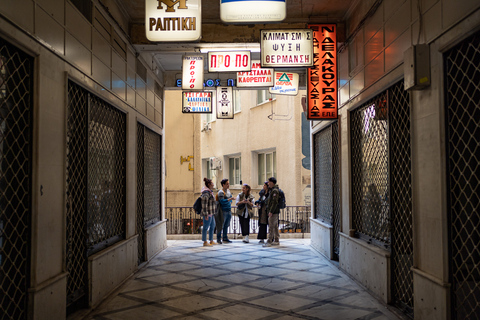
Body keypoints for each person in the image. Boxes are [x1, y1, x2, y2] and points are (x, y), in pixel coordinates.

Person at [263, 177, 280, 247]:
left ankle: (269, 241)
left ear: (272, 182)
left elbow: (274, 202)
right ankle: (276, 240)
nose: (268, 183)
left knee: (271, 226)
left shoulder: (275, 191)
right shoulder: (272, 190)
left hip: (273, 212)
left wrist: (271, 211)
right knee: (275, 226)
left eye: (269, 182)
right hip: (274, 211)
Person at [217, 179, 235, 243]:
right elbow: (221, 201)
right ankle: (218, 238)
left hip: (228, 210)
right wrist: (229, 200)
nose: (228, 185)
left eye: (228, 184)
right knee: (221, 225)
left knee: (226, 225)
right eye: (227, 184)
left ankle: (225, 237)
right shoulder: (221, 192)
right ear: (223, 185)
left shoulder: (228, 191)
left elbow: (230, 199)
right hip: (223, 211)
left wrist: (230, 201)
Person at [200, 178, 217, 246]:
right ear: (209, 184)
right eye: (212, 183)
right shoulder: (206, 193)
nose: (213, 184)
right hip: (208, 213)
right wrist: (206, 214)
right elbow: (204, 204)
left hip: (211, 213)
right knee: (205, 227)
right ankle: (205, 241)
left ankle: (211, 240)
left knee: (213, 226)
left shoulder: (210, 192)